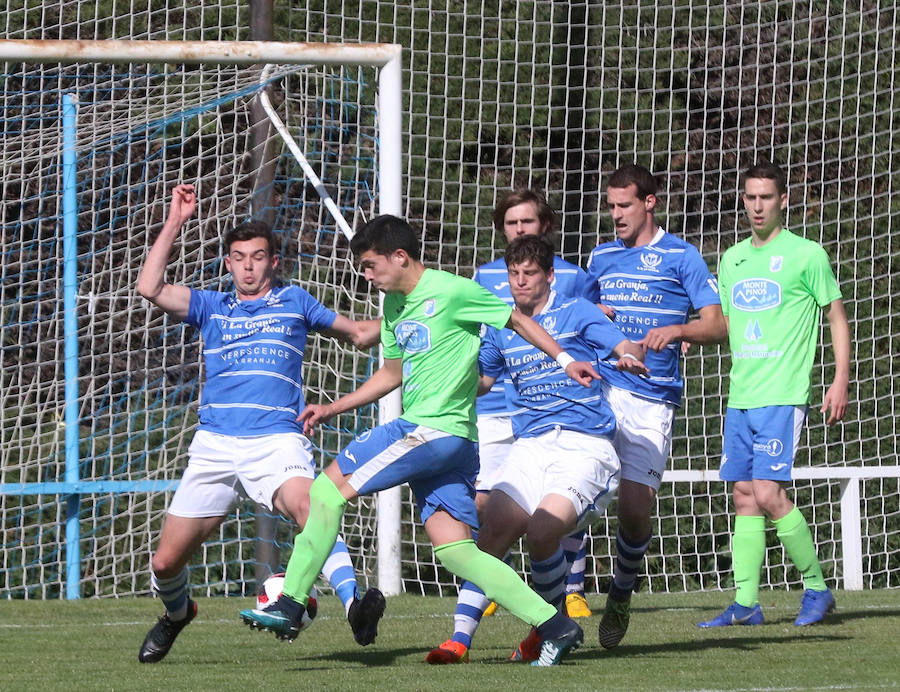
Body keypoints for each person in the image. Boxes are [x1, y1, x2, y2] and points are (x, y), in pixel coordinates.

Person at [240, 214, 599, 666]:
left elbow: (517, 321)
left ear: (400, 256)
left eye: (371, 266)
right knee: (458, 552)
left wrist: (565, 360)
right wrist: (334, 407)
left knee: (325, 491)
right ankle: (555, 623)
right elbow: (391, 374)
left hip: (430, 431)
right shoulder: (394, 305)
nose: (367, 277)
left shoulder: (452, 290)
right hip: (451, 446)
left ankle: (291, 601)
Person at [135, 184, 382, 663]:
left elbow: (358, 332)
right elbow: (149, 288)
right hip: (214, 445)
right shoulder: (212, 306)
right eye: (239, 258)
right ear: (228, 264)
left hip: (276, 442)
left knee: (313, 509)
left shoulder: (295, 302)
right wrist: (175, 221)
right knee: (165, 563)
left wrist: (419, 314)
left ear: (273, 263)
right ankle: (177, 614)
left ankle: (355, 607)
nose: (248, 265)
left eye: (258, 257)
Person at [428, 234, 650, 665]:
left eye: (530, 273)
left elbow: (618, 341)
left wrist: (626, 354)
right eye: (513, 274)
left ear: (550, 275)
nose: (520, 281)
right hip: (529, 445)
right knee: (489, 536)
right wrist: (439, 385)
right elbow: (484, 383)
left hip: (585, 446)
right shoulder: (503, 328)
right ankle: (459, 640)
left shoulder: (576, 310)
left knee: (543, 532)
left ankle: (546, 629)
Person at [698, 160, 849, 628]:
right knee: (744, 494)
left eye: (766, 197)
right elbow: (723, 324)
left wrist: (840, 377)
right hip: (740, 395)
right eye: (750, 197)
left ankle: (818, 590)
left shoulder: (807, 255)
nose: (757, 205)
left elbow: (836, 316)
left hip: (783, 394)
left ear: (783, 200)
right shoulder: (731, 258)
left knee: (767, 492)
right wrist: (688, 332)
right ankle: (746, 604)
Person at [585, 164, 727, 648]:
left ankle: (622, 589)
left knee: (633, 507)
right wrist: (591, 313)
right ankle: (556, 599)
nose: (616, 215)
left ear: (650, 202)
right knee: (564, 494)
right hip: (601, 391)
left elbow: (718, 324)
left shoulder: (682, 256)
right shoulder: (600, 257)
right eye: (611, 206)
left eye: (624, 205)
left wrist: (679, 330)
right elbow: (575, 313)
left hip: (652, 399)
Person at [475, 191, 597, 615]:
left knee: (557, 502)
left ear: (545, 225)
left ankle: (574, 587)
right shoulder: (484, 276)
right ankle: (502, 582)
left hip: (556, 407)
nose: (519, 229)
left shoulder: (572, 276)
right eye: (511, 223)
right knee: (488, 503)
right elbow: (482, 341)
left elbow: (590, 319)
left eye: (527, 222)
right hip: (498, 406)